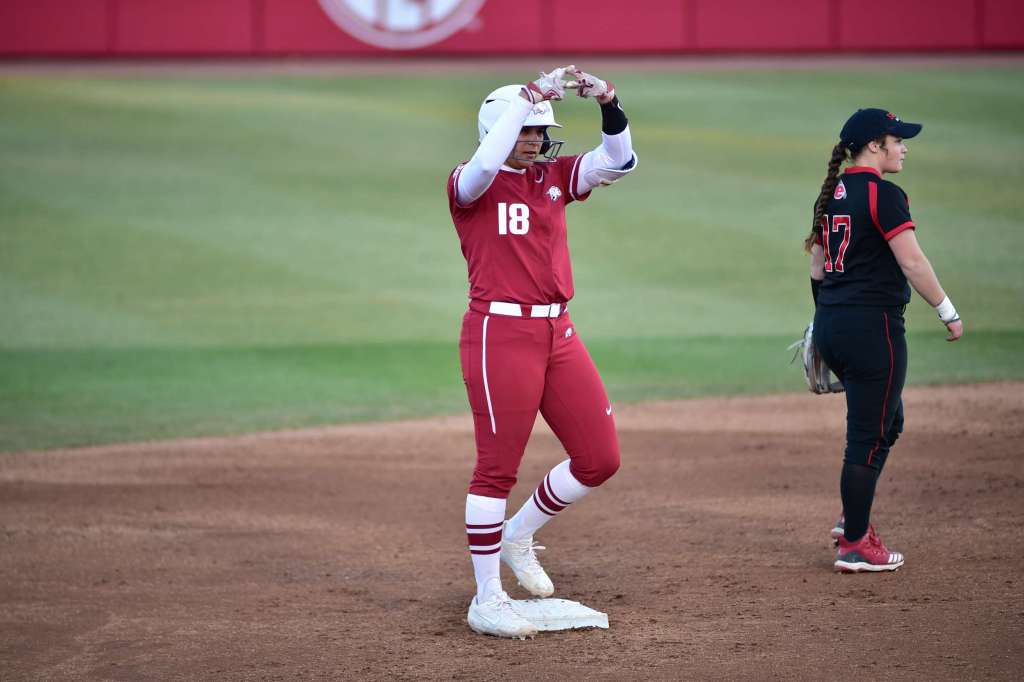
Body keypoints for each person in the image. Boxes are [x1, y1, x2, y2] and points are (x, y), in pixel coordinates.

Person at [447, 66, 638, 637]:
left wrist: (609, 101)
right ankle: (487, 599)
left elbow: (619, 161)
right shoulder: (468, 183)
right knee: (495, 470)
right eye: (528, 130)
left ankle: (519, 534)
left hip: (558, 332)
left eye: (540, 131)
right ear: (500, 130)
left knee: (600, 458)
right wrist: (527, 98)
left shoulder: (552, 176)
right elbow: (484, 167)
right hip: (498, 334)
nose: (536, 140)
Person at [805, 108, 963, 573]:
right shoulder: (883, 195)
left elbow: (817, 267)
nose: (904, 148)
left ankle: (851, 519)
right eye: (898, 140)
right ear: (875, 146)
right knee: (867, 438)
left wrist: (826, 321)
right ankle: (855, 544)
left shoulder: (832, 194)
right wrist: (947, 310)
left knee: (888, 422)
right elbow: (912, 263)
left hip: (833, 324)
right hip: (872, 330)